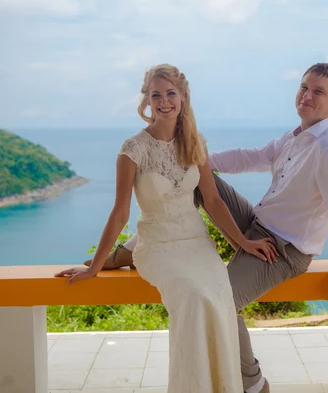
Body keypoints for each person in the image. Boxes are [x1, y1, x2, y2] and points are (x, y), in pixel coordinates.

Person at [85, 63, 328, 393]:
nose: (307, 96)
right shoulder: (296, 137)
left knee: (222, 301)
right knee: (193, 181)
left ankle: (254, 383)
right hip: (256, 224)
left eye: (318, 91)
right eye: (304, 87)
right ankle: (135, 248)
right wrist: (195, 161)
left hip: (284, 250)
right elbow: (251, 157)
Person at [56, 64, 278, 393]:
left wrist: (243, 242)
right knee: (192, 294)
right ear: (146, 100)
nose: (164, 101)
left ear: (183, 98)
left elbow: (214, 201)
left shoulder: (194, 143)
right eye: (156, 94)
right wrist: (95, 267)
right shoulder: (133, 150)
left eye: (170, 93)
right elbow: (119, 214)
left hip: (196, 243)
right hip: (158, 246)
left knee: (218, 296)